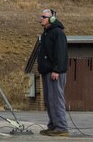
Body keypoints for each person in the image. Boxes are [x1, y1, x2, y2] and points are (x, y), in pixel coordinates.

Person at [37, 9, 69, 137]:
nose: (41, 19)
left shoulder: (57, 33)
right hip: (47, 72)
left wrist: (57, 69)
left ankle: (61, 127)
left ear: (51, 19)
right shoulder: (46, 34)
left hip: (55, 73)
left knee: (56, 100)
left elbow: (61, 53)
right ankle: (53, 126)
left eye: (43, 16)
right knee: (49, 100)